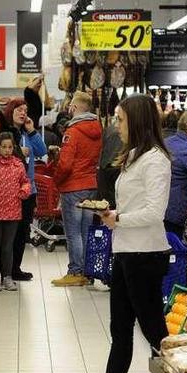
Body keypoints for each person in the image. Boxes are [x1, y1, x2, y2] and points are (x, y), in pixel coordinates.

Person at [67, 94, 180, 373]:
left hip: (146, 255)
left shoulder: (156, 160)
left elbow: (154, 212)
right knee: (120, 334)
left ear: (138, 121)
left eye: (120, 119)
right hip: (126, 253)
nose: (116, 125)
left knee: (156, 336)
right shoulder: (133, 156)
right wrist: (112, 214)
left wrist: (118, 218)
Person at [51, 92, 103, 288]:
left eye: (70, 106)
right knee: (86, 231)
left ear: (74, 108)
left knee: (73, 232)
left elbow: (65, 165)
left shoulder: (72, 131)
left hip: (73, 187)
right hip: (90, 184)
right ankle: (87, 271)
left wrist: (57, 181)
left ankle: (75, 271)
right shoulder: (97, 128)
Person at [4, 98, 46, 282]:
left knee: (22, 232)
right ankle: (1, 270)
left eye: (25, 110)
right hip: (8, 190)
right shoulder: (5, 134)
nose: (23, 113)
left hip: (28, 190)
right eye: (19, 110)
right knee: (6, 234)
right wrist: (18, 151)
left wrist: (32, 130)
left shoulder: (27, 134)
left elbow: (42, 151)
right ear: (10, 112)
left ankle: (15, 268)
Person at [0, 133, 31, 292]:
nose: (7, 150)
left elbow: (25, 182)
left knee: (7, 246)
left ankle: (7, 276)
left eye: (10, 147)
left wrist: (24, 191)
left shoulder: (18, 165)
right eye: (4, 147)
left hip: (13, 210)